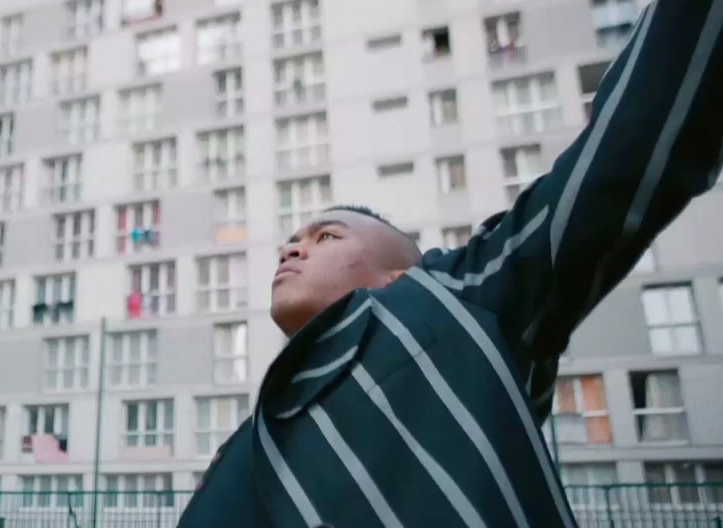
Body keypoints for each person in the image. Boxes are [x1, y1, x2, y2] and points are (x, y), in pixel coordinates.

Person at [177, 2, 722, 527]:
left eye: (326, 236)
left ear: (398, 277)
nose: (292, 248)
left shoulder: (454, 303)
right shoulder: (246, 447)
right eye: (292, 240)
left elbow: (621, 155)